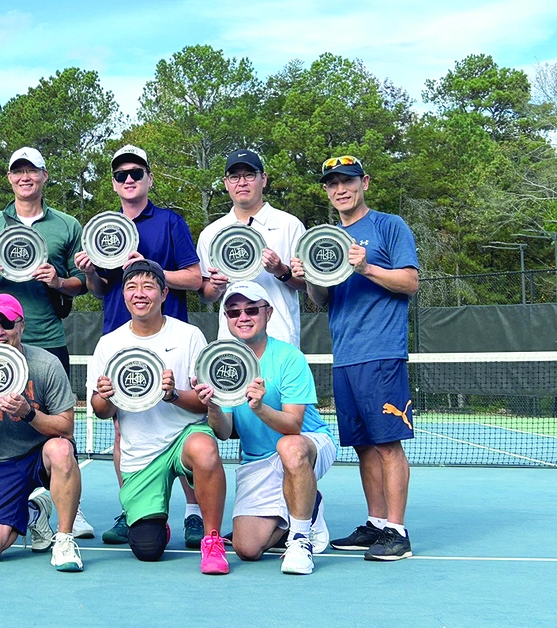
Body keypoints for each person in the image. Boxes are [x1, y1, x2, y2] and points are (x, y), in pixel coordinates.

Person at [74, 145, 204, 547]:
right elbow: (99, 291)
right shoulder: (102, 229)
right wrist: (93, 272)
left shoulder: (169, 222)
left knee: (187, 422)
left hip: (169, 337)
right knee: (121, 428)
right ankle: (132, 507)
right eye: (121, 175)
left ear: (148, 178)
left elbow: (196, 278)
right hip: (120, 335)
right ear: (114, 184)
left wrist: (146, 267)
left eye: (136, 173)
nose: (128, 180)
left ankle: (195, 513)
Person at [290, 156, 419, 561]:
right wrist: (309, 276)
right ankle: (377, 524)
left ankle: (397, 532)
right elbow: (322, 299)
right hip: (344, 355)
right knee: (364, 446)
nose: (340, 189)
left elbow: (410, 282)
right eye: (332, 184)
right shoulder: (324, 240)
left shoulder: (388, 226)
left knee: (387, 445)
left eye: (347, 181)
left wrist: (365, 267)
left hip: (381, 352)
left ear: (364, 182)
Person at [0, 147, 92, 537]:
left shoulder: (67, 224)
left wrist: (57, 281)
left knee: (54, 430)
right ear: (9, 178)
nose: (25, 177)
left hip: (47, 339)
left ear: (44, 176)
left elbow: (81, 283)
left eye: (32, 171)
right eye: (18, 171)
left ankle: (66, 508)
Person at [86, 259, 229, 575]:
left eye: (148, 286)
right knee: (147, 550)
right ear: (123, 295)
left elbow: (204, 404)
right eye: (132, 287)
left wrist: (174, 394)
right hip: (142, 455)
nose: (140, 294)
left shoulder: (190, 336)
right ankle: (155, 523)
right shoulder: (109, 344)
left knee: (205, 451)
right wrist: (106, 396)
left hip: (184, 437)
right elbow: (99, 411)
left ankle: (212, 539)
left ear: (164, 293)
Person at [196, 281, 336, 575]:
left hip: (307, 444)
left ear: (268, 313)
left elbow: (294, 425)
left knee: (289, 447)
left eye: (251, 310)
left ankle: (299, 540)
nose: (243, 317)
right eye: (234, 312)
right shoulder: (222, 365)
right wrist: (211, 406)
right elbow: (223, 432)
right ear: (227, 320)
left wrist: (260, 408)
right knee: (247, 549)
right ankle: (307, 505)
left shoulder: (289, 358)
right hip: (258, 459)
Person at [0, 294, 85, 572]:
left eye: (7, 324)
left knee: (60, 449)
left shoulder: (46, 364)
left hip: (43, 456)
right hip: (4, 462)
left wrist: (29, 413)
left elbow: (67, 427)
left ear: (21, 326)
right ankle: (34, 511)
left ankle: (63, 539)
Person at [197, 149, 307, 348]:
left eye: (249, 175)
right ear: (226, 183)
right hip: (232, 345)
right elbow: (205, 294)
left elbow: (309, 285)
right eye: (234, 177)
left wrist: (280, 271)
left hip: (281, 341)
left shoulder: (290, 225)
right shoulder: (211, 233)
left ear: (263, 179)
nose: (242, 183)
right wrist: (216, 286)